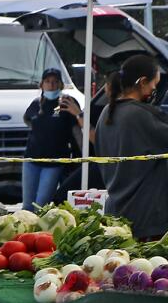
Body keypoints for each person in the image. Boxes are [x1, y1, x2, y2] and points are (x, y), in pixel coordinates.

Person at [95, 54, 168, 240]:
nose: (154, 89)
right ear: (143, 82)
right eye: (154, 84)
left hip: (116, 215)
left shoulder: (106, 113)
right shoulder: (141, 116)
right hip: (146, 220)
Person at [22, 68, 82, 209]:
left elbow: (77, 132)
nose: (51, 85)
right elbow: (27, 119)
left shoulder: (68, 102)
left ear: (60, 84)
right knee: (27, 205)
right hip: (31, 160)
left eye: (55, 82)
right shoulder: (36, 103)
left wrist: (80, 156)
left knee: (41, 204)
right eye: (48, 81)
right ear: (42, 84)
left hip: (54, 162)